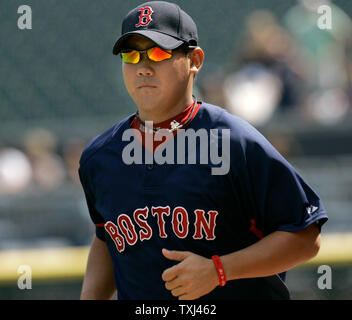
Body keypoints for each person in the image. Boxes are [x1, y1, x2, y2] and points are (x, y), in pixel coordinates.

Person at [78, 1, 328, 300]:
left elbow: (305, 237)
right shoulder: (100, 157)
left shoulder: (235, 142)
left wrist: (219, 270)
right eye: (131, 55)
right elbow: (107, 236)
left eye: (159, 51)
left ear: (194, 59)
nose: (143, 67)